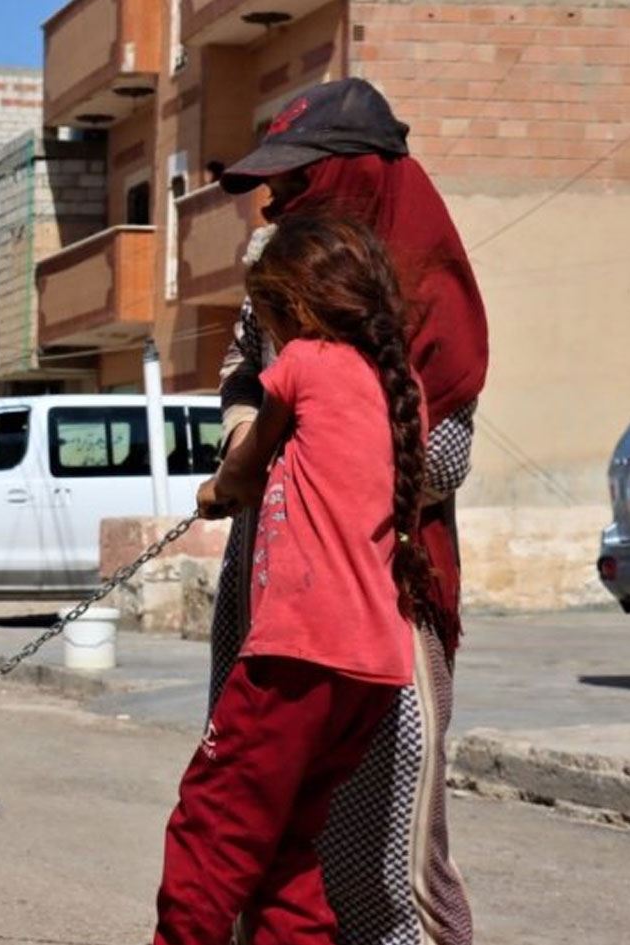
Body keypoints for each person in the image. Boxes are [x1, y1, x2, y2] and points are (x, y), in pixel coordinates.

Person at [208, 77, 487, 944]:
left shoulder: (426, 282)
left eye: (296, 184)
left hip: (381, 597)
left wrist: (308, 446)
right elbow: (239, 374)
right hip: (266, 584)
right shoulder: (281, 269)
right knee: (259, 830)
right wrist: (245, 435)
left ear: (356, 175)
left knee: (384, 858)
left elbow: (442, 456)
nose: (274, 203)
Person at [155, 213, 430, 945]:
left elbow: (243, 465)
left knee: (208, 829)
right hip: (372, 668)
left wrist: (216, 492)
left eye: (269, 314)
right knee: (283, 845)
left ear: (297, 308)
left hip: (297, 655)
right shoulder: (401, 388)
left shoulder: (305, 363)